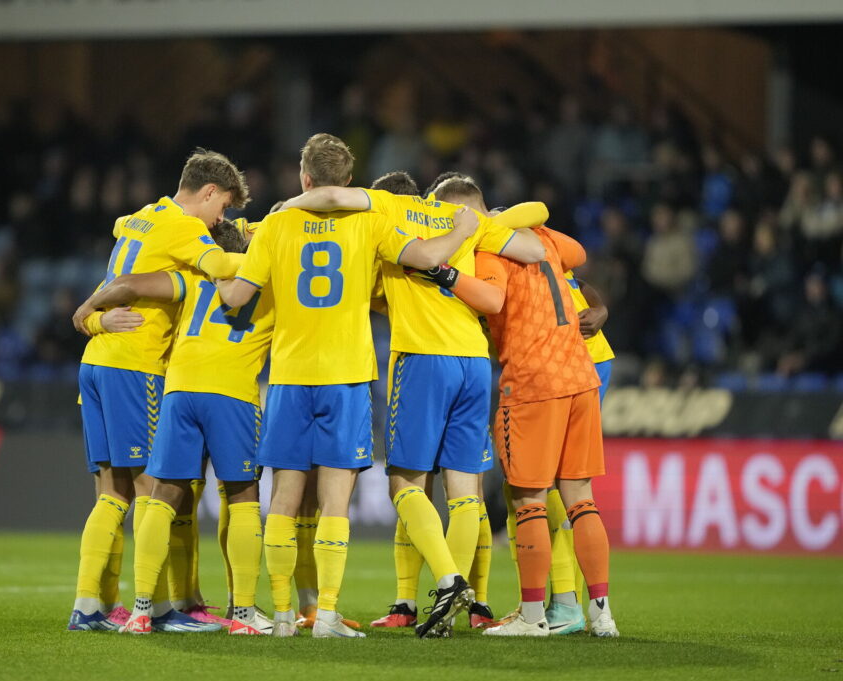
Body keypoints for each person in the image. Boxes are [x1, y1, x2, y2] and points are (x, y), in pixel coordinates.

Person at [216, 133, 479, 638]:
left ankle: (283, 617)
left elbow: (236, 297)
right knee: (336, 504)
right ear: (350, 182)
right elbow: (426, 258)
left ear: (305, 178)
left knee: (284, 502)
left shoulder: (275, 224)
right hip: (347, 377)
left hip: (290, 377)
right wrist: (461, 232)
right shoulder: (370, 222)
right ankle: (329, 615)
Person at [280, 171, 547, 636]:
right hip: (474, 363)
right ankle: (449, 610)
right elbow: (535, 250)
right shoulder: (458, 218)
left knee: (404, 482)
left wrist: (286, 206)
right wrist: (483, 223)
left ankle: (448, 581)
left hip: (423, 360)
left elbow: (329, 194)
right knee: (466, 493)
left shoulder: (389, 210)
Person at [66, 150, 249, 632]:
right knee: (156, 491)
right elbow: (222, 264)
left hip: (98, 359)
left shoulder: (141, 218)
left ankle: (89, 607)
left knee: (111, 493)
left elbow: (121, 246)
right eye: (223, 207)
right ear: (208, 193)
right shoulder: (187, 230)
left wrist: (91, 317)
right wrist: (267, 253)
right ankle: (161, 608)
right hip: (136, 365)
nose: (222, 218)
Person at [439, 182, 619, 638]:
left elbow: (493, 299)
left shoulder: (488, 251)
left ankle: (533, 616)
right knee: (581, 497)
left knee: (528, 501)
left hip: (535, 381)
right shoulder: (538, 237)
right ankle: (602, 614)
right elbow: (576, 252)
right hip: (579, 372)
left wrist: (449, 275)